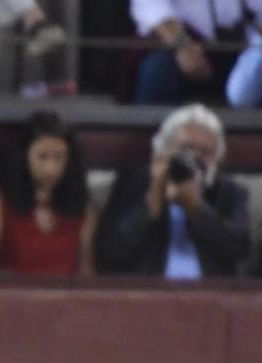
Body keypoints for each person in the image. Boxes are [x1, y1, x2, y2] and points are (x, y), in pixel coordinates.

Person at [96, 103, 252, 278]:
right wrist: (150, 207)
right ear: (161, 154)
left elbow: (239, 251)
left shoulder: (229, 192)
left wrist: (197, 209)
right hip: (148, 290)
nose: (194, 159)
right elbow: (109, 255)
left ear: (216, 162)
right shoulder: (133, 185)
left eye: (205, 152)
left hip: (209, 291)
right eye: (186, 149)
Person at [0, 109, 95, 277]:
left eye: (59, 157)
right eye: (42, 157)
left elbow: (87, 272)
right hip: (14, 292)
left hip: (66, 293)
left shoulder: (83, 207)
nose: (50, 169)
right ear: (25, 157)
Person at [131, 0, 262, 104]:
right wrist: (181, 45)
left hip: (247, 49)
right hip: (188, 45)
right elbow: (150, 5)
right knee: (159, 72)